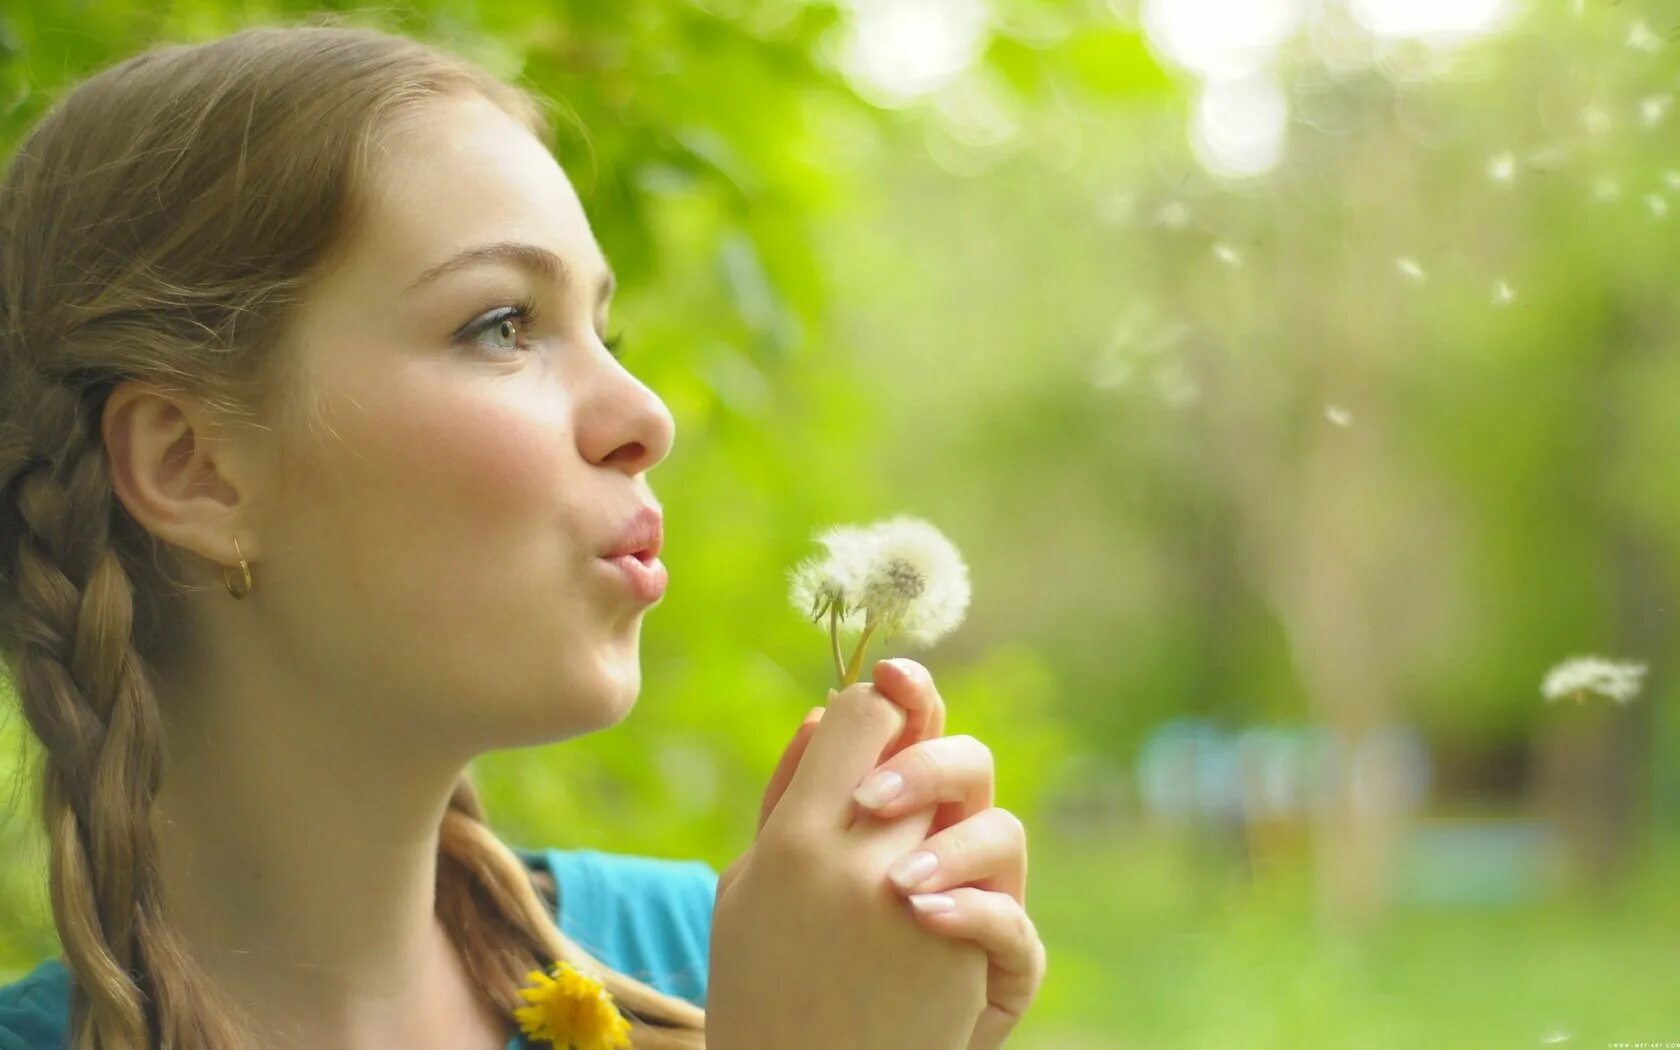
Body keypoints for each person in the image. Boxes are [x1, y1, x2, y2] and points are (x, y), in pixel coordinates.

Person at [0, 20, 1042, 1050]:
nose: (646, 415)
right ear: (193, 465)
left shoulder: (714, 958)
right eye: (503, 326)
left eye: (605, 328)